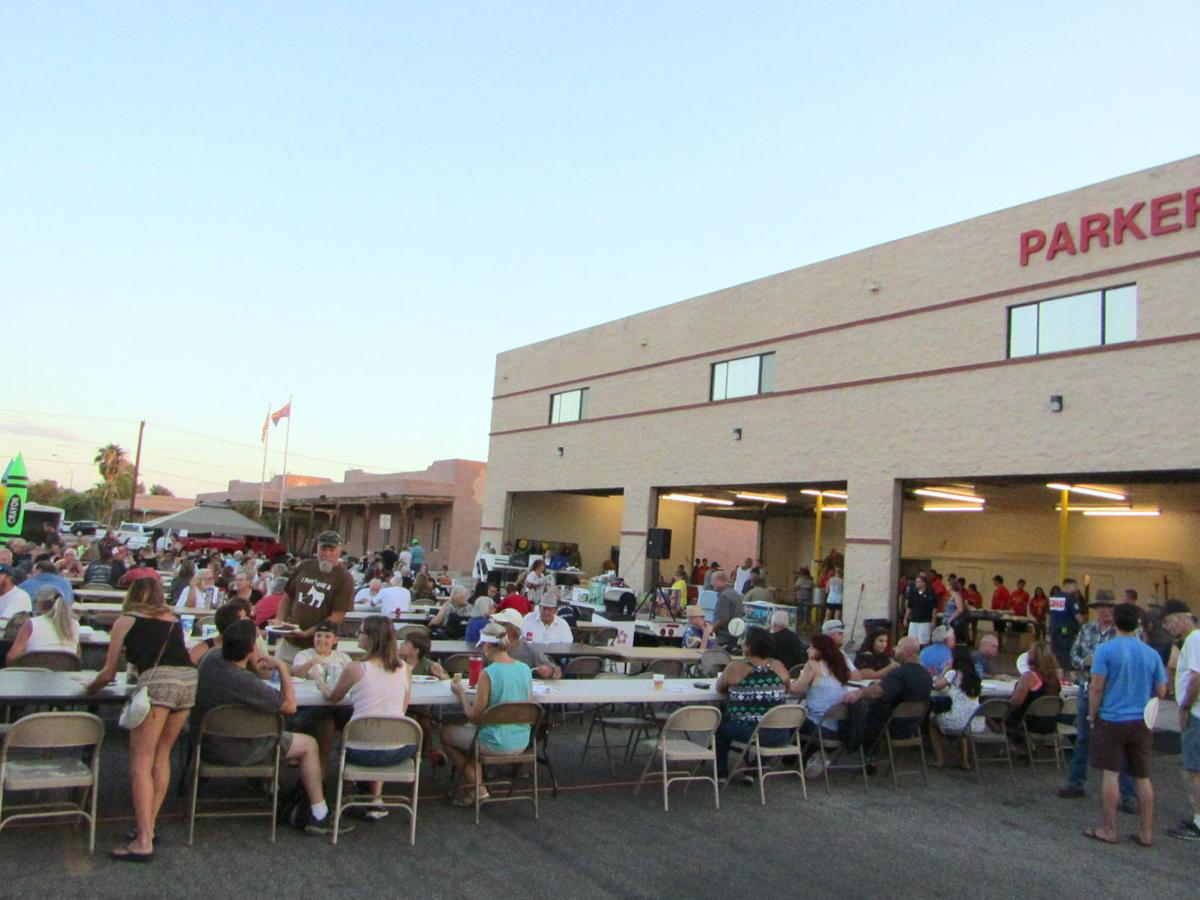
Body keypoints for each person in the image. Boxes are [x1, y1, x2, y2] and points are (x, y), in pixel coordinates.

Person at [191, 618, 343, 835]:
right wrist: (281, 667)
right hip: (241, 749)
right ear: (253, 648)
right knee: (309, 743)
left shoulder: (211, 659)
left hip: (204, 744)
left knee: (275, 726)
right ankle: (319, 813)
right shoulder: (245, 682)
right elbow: (290, 706)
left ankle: (276, 788)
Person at [86, 577, 197, 861]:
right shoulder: (172, 618)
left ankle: (143, 841)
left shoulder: (126, 620)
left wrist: (90, 687)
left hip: (158, 685)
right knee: (162, 755)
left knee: (140, 761)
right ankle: (148, 825)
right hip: (188, 683)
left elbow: (109, 672)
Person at [1083, 602, 1167, 847]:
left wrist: (1092, 714)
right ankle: (1146, 832)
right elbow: (1161, 689)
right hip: (1140, 720)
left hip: (1112, 718)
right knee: (1143, 776)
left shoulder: (1105, 650)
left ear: (1116, 622)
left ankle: (1109, 828)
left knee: (1111, 773)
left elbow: (1097, 687)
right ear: (1138, 624)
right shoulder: (1150, 653)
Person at [317, 615, 415, 819]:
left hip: (359, 751)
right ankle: (375, 798)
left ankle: (342, 791)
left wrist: (320, 682)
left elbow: (333, 697)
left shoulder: (355, 668)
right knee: (385, 731)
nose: (356, 635)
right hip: (397, 750)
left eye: (360, 631)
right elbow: (401, 711)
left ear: (370, 638)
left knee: (345, 728)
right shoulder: (404, 668)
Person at [441, 622, 534, 806]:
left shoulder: (488, 673)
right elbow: (528, 706)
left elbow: (475, 717)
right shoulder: (524, 669)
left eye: (483, 645)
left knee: (446, 733)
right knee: (469, 735)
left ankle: (478, 787)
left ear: (489, 646)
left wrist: (461, 694)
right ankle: (472, 787)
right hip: (521, 739)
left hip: (493, 741)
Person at [1057, 592, 1136, 807]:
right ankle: (1076, 782)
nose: (1105, 611)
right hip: (1086, 687)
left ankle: (1127, 793)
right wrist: (1084, 661)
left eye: (1109, 607)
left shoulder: (1122, 633)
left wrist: (1102, 663)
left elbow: (1128, 660)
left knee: (1118, 742)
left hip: (1112, 693)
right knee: (1083, 738)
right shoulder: (1086, 629)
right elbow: (1073, 656)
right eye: (1101, 607)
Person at [714, 627, 798, 780]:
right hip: (779, 733)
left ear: (748, 647)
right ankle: (753, 769)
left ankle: (721, 772)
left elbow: (720, 688)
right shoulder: (778, 666)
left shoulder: (735, 667)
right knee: (769, 732)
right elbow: (787, 686)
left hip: (749, 732)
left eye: (743, 640)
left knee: (721, 727)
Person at [272, 531, 355, 664]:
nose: (327, 554)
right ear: (317, 549)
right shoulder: (305, 566)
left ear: (339, 551)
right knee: (279, 675)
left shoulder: (344, 578)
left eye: (331, 549)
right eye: (323, 549)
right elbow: (288, 596)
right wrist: (279, 619)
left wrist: (307, 633)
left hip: (319, 647)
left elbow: (338, 616)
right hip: (290, 641)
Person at [845, 637, 932, 749]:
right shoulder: (926, 675)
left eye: (898, 646)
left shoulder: (899, 674)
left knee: (859, 713)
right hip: (913, 725)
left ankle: (865, 757)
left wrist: (859, 693)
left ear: (907, 652)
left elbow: (879, 691)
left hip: (892, 725)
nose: (895, 649)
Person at [1162, 599, 1200, 841]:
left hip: (1196, 713)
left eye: (1167, 622)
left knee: (1195, 769)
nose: (1166, 628)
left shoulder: (1195, 639)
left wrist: (1185, 705)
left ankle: (1199, 822)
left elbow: (1197, 676)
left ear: (1179, 617)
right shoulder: (1190, 641)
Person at [790, 633, 850, 750]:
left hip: (819, 726)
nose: (807, 650)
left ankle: (788, 758)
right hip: (839, 727)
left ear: (820, 651)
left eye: (811, 647)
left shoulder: (812, 665)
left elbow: (795, 688)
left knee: (788, 720)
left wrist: (785, 681)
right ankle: (809, 759)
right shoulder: (839, 668)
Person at [930, 645, 984, 769]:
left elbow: (936, 686)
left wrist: (945, 670)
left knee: (932, 722)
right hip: (975, 722)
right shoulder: (974, 676)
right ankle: (964, 761)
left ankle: (939, 759)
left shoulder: (953, 673)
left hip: (959, 721)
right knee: (962, 721)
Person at [1005, 640, 1062, 745]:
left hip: (1028, 724)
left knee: (993, 713)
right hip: (1050, 724)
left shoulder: (1029, 677)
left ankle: (1011, 745)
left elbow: (1016, 702)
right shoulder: (1055, 679)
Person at [5, 586, 79, 663]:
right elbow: (77, 656)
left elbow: (12, 657)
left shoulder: (32, 623)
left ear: (40, 604)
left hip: (34, 673)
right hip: (65, 672)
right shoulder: (75, 624)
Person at [490, 608, 562, 678]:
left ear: (512, 630)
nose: (495, 627)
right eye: (495, 623)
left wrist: (549, 671)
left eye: (500, 625)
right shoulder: (489, 647)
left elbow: (556, 671)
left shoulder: (529, 649)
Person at [1049, 578, 1086, 673]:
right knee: (1067, 650)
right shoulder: (1071, 599)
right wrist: (1085, 627)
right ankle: (1068, 671)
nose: (1076, 589)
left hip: (1054, 629)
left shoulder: (1053, 598)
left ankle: (1057, 669)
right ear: (1068, 586)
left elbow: (1049, 615)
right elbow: (1078, 616)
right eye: (1074, 586)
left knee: (1055, 651)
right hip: (1066, 630)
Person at [711, 570, 744, 649]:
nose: (711, 583)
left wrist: (710, 629)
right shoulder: (737, 595)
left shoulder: (724, 596)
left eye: (713, 580)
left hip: (724, 638)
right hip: (735, 637)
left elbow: (722, 619)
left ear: (721, 581)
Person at [903, 574, 938, 645]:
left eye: (918, 582)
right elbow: (909, 607)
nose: (916, 583)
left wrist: (933, 621)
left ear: (923, 583)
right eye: (916, 582)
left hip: (925, 621)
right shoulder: (913, 594)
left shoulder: (930, 594)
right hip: (914, 621)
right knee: (912, 641)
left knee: (923, 641)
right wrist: (905, 618)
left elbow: (934, 609)